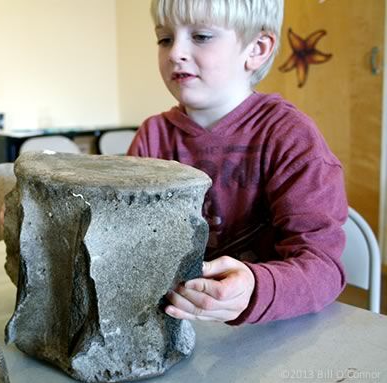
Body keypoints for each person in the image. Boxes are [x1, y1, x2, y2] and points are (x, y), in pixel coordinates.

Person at [128, 0, 348, 325]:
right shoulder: (152, 136)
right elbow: (129, 237)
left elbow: (323, 266)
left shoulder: (290, 137)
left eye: (201, 36)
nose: (175, 52)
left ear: (256, 48)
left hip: (270, 330)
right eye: (165, 39)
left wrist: (256, 289)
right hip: (177, 323)